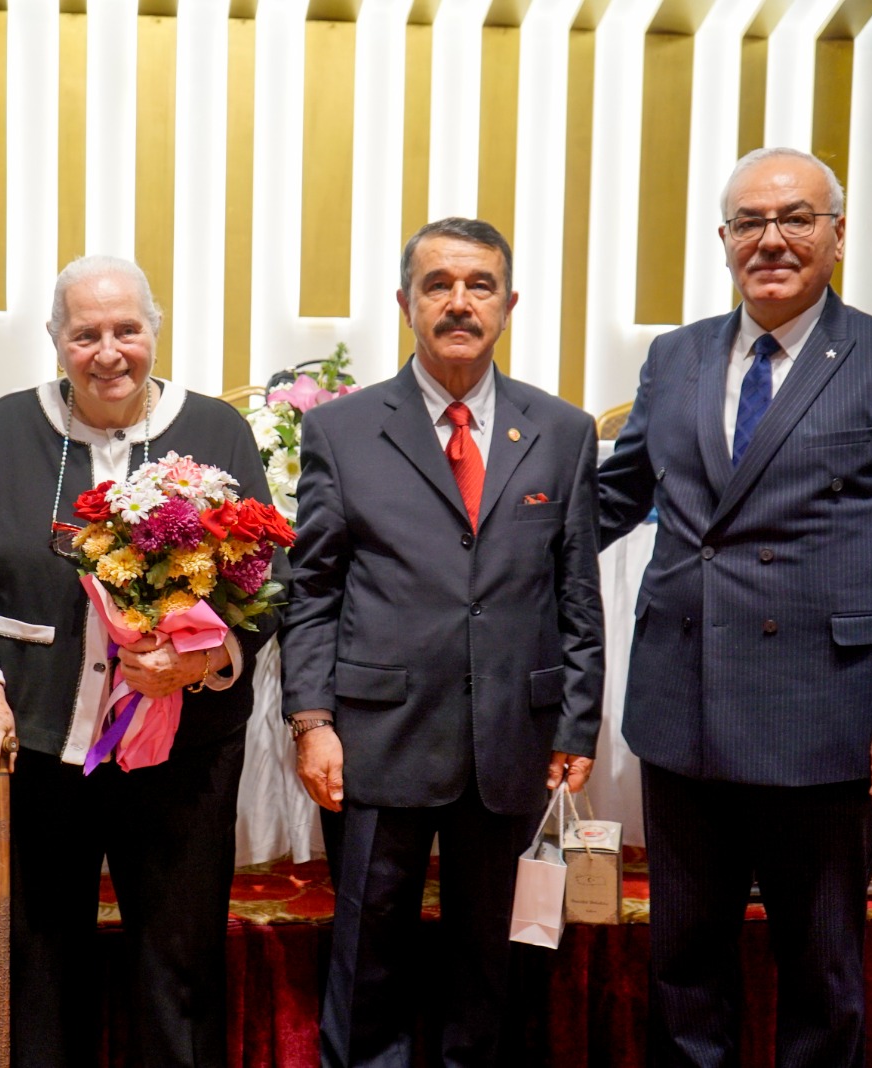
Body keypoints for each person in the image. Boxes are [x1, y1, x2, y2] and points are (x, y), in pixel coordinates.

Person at [598, 146, 872, 1067]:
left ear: (837, 235)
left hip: (823, 718)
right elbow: (616, 496)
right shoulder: (676, 356)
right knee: (684, 970)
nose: (771, 240)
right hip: (682, 711)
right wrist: (475, 530)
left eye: (796, 218)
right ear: (724, 239)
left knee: (820, 976)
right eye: (750, 222)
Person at [0, 255, 284, 1066]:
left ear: (155, 330)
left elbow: (269, 581)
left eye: (127, 329)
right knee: (38, 963)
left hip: (183, 753)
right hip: (34, 742)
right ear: (55, 340)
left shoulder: (216, 430)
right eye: (85, 334)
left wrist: (201, 661)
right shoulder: (5, 428)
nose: (108, 352)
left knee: (179, 968)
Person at [281, 217, 604, 1066]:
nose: (460, 303)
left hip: (514, 740)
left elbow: (578, 593)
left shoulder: (563, 432)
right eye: (438, 285)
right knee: (367, 956)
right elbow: (313, 589)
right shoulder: (342, 430)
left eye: (479, 285)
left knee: (493, 960)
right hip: (376, 737)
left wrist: (577, 725)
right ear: (405, 303)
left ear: (509, 303)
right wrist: (312, 720)